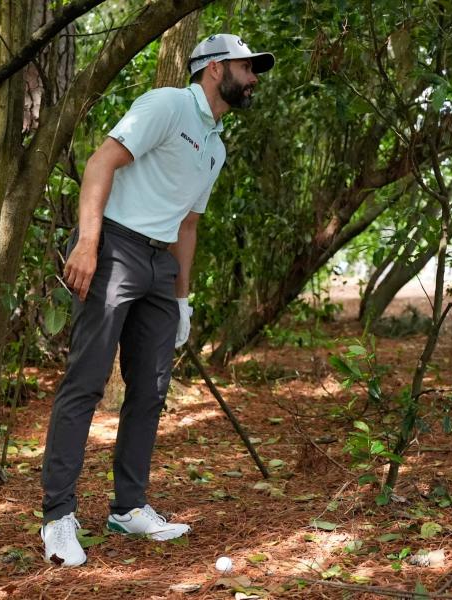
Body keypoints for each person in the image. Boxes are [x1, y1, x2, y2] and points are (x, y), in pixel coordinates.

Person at [39, 33, 275, 567]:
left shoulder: (215, 145)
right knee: (87, 383)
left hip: (160, 266)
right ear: (215, 69)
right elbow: (101, 164)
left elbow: (188, 224)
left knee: (150, 390)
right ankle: (58, 516)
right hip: (115, 247)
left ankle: (129, 507)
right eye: (247, 67)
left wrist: (183, 300)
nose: (254, 78)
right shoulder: (168, 104)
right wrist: (89, 242)